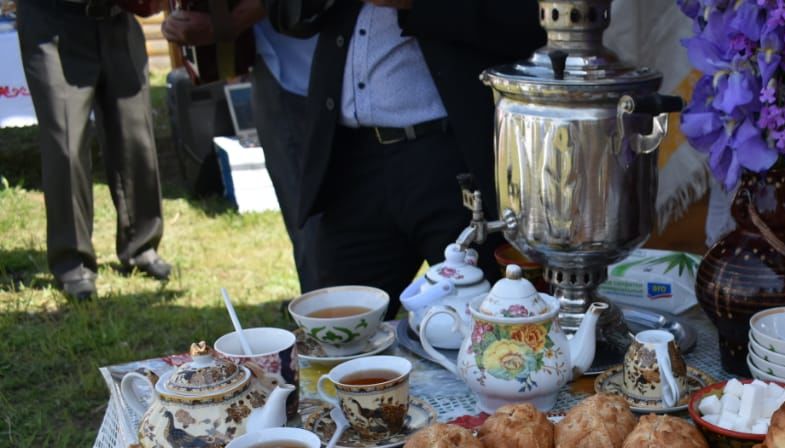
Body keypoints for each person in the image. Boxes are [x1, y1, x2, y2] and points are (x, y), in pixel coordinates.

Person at [265, 0, 544, 305]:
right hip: (352, 163)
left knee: (481, 318)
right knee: (340, 327)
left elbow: (530, 22)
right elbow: (284, 15)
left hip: (452, 158)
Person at [17, 0, 172, 299]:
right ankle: (72, 261)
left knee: (134, 133)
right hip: (54, 21)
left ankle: (141, 246)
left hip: (119, 17)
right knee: (66, 144)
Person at [163, 3, 320, 289]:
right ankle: (317, 309)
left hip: (334, 64)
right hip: (272, 67)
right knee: (305, 228)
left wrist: (226, 24)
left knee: (330, 232)